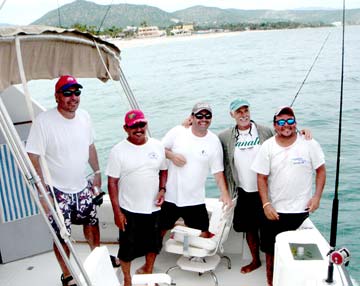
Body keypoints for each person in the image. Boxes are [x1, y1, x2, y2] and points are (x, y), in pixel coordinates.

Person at [26, 75, 102, 286]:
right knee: (62, 236)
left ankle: (98, 259)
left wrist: (97, 171)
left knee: (92, 225)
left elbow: (90, 146)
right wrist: (43, 193)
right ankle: (67, 274)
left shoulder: (85, 117)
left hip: (82, 186)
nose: (73, 97)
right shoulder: (44, 121)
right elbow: (32, 157)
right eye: (67, 93)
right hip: (57, 190)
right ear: (57, 96)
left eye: (76, 92)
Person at [251, 106, 326, 286]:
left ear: (296, 123)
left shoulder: (309, 143)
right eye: (281, 122)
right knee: (270, 251)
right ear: (275, 125)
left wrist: (317, 197)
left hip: (301, 211)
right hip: (274, 211)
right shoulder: (267, 146)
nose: (286, 125)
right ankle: (271, 282)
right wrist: (266, 204)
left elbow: (321, 171)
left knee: (297, 253)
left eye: (290, 121)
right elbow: (261, 177)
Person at [106, 109, 167, 286]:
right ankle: (127, 279)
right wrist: (117, 213)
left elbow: (163, 170)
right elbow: (112, 183)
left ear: (146, 124)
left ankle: (148, 271)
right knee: (126, 251)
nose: (138, 129)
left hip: (154, 209)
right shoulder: (118, 151)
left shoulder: (157, 145)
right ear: (126, 128)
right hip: (129, 210)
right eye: (134, 126)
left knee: (153, 246)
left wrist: (162, 189)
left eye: (141, 124)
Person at [160, 102, 232, 239]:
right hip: (170, 197)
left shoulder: (214, 141)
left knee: (203, 234)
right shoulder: (178, 131)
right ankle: (150, 260)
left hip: (195, 199)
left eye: (207, 115)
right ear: (192, 117)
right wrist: (172, 156)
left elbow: (217, 171)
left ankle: (194, 254)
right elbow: (158, 149)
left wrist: (225, 193)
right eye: (199, 115)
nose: (203, 119)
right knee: (159, 231)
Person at [218, 98, 274, 274]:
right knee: (249, 229)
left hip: (265, 191)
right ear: (232, 115)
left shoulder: (264, 131)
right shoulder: (225, 136)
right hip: (243, 191)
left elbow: (284, 140)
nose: (243, 114)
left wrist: (302, 133)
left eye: (245, 110)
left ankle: (270, 270)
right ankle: (255, 260)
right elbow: (206, 143)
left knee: (268, 230)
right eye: (238, 112)